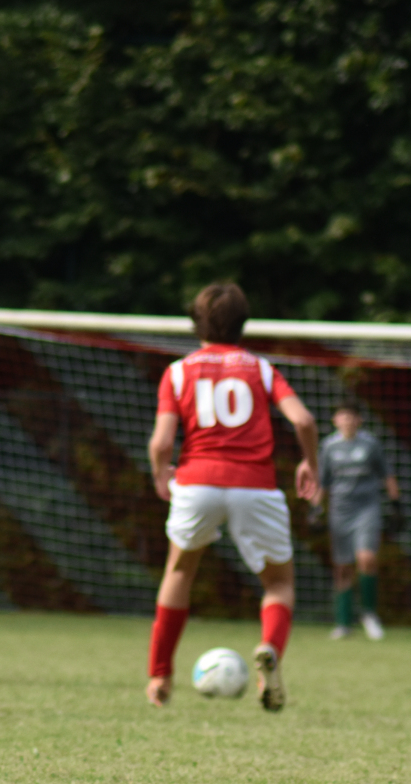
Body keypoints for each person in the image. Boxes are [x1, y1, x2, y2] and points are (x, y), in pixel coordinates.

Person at [145, 282, 322, 711]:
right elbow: (303, 420)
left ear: (196, 323)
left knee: (179, 572)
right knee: (278, 583)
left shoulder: (178, 371)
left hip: (197, 482)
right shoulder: (261, 369)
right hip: (254, 486)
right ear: (244, 323)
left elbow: (162, 442)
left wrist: (160, 472)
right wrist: (310, 464)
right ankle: (270, 648)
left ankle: (160, 677)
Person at [318, 402, 400, 640]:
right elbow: (323, 481)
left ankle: (369, 614)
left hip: (367, 508)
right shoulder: (329, 446)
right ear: (335, 421)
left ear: (359, 420)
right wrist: (315, 508)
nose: (347, 422)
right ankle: (343, 622)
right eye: (342, 417)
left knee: (366, 558)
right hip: (340, 510)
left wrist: (396, 504)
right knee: (342, 566)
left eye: (351, 417)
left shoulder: (370, 444)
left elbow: (387, 475)